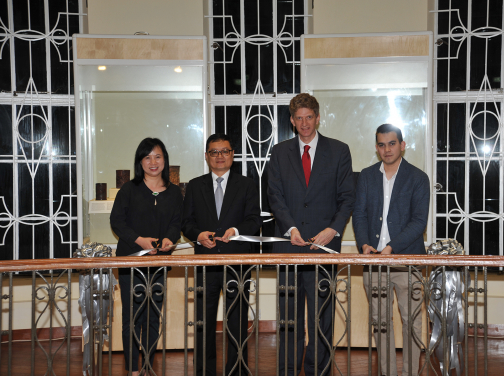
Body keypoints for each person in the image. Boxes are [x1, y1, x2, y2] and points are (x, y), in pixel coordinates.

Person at [267, 93, 355, 376]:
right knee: (289, 318)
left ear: (318, 117)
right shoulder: (279, 153)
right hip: (288, 247)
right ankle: (289, 371)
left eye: (309, 117)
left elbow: (347, 197)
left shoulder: (339, 150)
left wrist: (333, 229)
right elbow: (275, 196)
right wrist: (291, 229)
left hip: (324, 248)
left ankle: (319, 371)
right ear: (292, 121)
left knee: (322, 318)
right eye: (299, 118)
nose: (304, 123)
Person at [352, 123, 430, 376]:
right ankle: (388, 373)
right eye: (382, 145)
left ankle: (409, 373)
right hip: (374, 263)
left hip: (408, 261)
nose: (387, 149)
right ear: (377, 148)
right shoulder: (366, 175)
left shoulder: (418, 178)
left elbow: (419, 222)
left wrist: (391, 248)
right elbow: (359, 215)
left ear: (402, 145)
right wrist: (364, 244)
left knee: (413, 324)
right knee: (381, 324)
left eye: (392, 143)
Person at [181, 133, 261, 376]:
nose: (219, 156)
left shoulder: (247, 184)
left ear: (232, 155)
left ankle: (237, 370)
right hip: (205, 262)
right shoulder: (195, 185)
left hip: (237, 262)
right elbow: (186, 222)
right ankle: (204, 371)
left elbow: (255, 220)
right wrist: (198, 235)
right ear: (206, 156)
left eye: (224, 151)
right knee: (203, 321)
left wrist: (236, 231)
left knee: (236, 322)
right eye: (214, 152)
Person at [110, 137, 183, 376]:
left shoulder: (174, 193)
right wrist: (140, 241)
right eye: (147, 157)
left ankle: (149, 365)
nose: (153, 162)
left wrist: (169, 241)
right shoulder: (129, 189)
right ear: (140, 161)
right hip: (131, 262)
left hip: (158, 263)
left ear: (165, 160)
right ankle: (132, 368)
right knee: (132, 317)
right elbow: (117, 222)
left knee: (153, 317)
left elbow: (176, 223)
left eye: (158, 156)